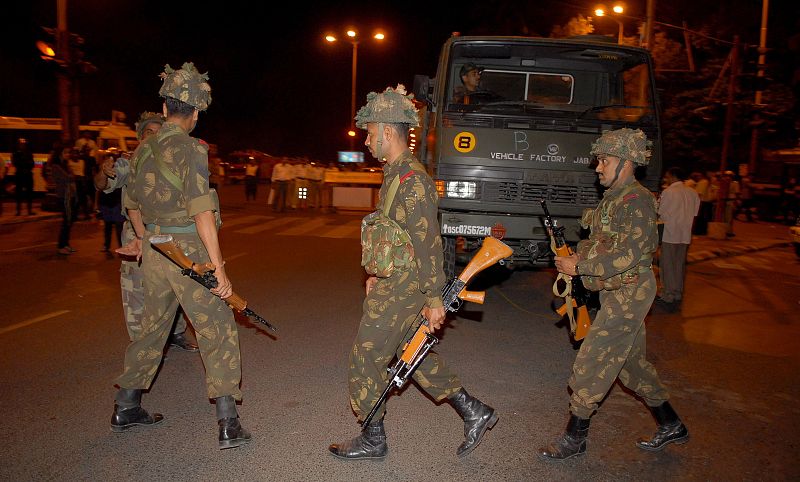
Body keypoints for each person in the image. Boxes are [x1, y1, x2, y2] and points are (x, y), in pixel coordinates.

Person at [329, 85, 498, 460]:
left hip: (407, 287)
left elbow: (428, 244)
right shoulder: (395, 174)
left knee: (365, 356)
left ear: (388, 133)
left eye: (370, 133)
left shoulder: (412, 180)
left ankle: (373, 438)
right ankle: (474, 411)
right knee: (411, 353)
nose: (367, 140)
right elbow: (394, 234)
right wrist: (376, 272)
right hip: (398, 280)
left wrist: (434, 299)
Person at [109, 62, 250, 449]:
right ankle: (228, 424)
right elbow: (202, 211)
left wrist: (144, 239)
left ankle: (126, 406)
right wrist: (218, 268)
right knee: (216, 329)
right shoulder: (190, 149)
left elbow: (132, 203)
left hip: (155, 252)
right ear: (197, 112)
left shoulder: (141, 151)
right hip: (188, 254)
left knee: (151, 330)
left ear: (166, 106)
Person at [540, 128, 689, 461]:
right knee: (631, 367)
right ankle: (671, 424)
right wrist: (578, 256)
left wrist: (580, 268)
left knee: (592, 360)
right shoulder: (614, 199)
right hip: (616, 291)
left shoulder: (637, 201)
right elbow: (602, 244)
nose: (598, 167)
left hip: (629, 292)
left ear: (625, 162)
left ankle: (575, 438)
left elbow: (630, 256)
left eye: (604, 161)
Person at [94, 111, 199, 350]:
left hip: (168, 234)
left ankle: (176, 332)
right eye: (148, 133)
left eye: (157, 132)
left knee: (176, 284)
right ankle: (140, 342)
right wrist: (103, 171)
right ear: (140, 137)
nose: (153, 137)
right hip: (136, 236)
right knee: (135, 289)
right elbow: (102, 184)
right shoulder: (129, 162)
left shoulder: (173, 160)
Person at [654, 167, 700, 313]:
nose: (666, 178)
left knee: (667, 264)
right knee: (679, 264)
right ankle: (678, 292)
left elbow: (660, 211)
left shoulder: (669, 192)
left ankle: (668, 294)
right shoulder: (692, 192)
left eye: (667, 175)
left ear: (673, 176)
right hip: (685, 234)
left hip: (670, 233)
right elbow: (694, 213)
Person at [50, 147, 77, 255]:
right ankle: (61, 245)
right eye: (65, 152)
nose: (68, 154)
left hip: (70, 195)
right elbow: (67, 177)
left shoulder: (66, 165)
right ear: (60, 154)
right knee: (66, 221)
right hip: (63, 195)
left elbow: (72, 176)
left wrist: (71, 175)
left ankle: (66, 244)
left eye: (68, 152)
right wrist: (71, 176)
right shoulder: (56, 166)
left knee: (70, 221)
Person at [12, 138, 35, 216]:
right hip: (19, 174)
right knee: (18, 194)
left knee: (29, 193)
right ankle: (18, 211)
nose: (22, 145)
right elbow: (15, 163)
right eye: (21, 144)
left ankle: (29, 211)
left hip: (28, 174)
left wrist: (25, 165)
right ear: (18, 145)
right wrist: (24, 164)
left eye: (24, 144)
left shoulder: (29, 153)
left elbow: (32, 163)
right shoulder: (15, 153)